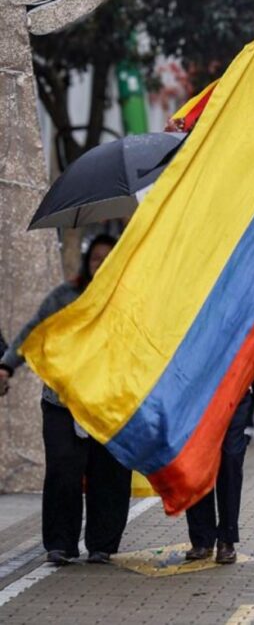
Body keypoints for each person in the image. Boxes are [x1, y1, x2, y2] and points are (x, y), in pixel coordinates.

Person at [0, 234, 132, 565]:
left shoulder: (128, 299)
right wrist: (6, 366)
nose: (100, 264)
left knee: (110, 475)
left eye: (107, 258)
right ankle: (60, 544)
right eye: (95, 259)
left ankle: (102, 544)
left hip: (108, 402)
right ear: (87, 263)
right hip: (62, 402)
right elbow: (33, 333)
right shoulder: (65, 296)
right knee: (63, 472)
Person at [186, 360, 254, 564]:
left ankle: (227, 539)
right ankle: (202, 540)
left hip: (235, 392)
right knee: (198, 460)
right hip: (196, 394)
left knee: (230, 460)